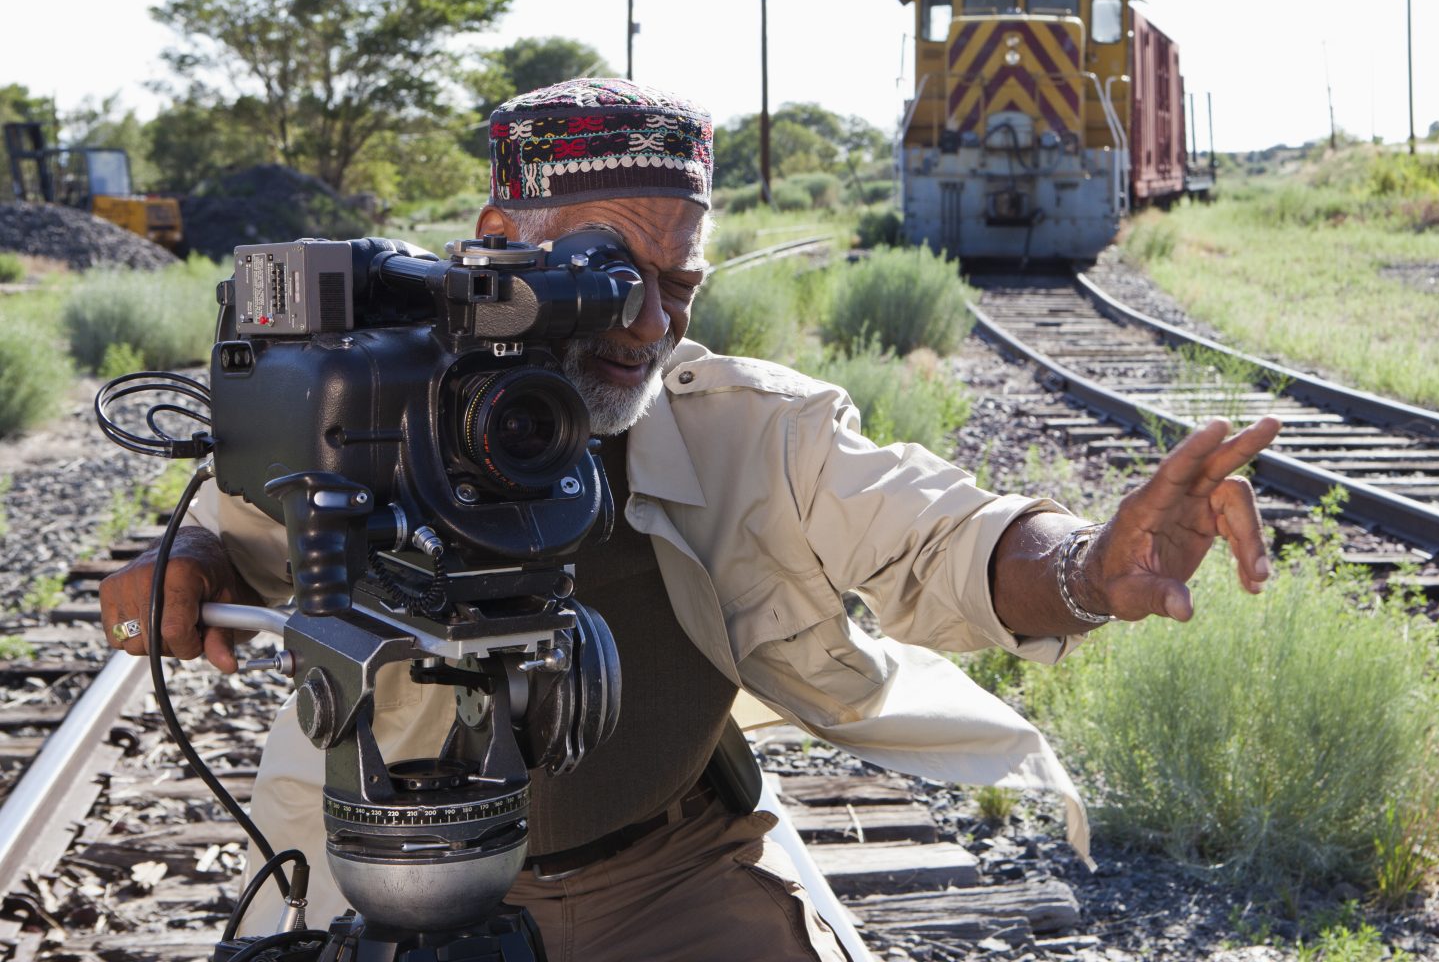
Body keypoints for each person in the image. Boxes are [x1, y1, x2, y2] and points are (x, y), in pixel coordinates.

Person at [99, 78, 1281, 962]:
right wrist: (186, 561)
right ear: (497, 243)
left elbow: (946, 542)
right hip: (376, 887)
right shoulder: (361, 402)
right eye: (611, 272)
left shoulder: (750, 425)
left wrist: (1089, 564)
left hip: (668, 879)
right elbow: (231, 528)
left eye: (681, 285)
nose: (646, 323)